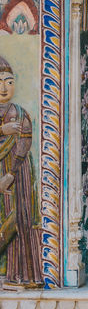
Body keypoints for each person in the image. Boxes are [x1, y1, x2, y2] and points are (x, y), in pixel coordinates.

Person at [0, 55, 43, 287]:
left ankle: (19, 274)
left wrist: (10, 175)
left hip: (17, 175)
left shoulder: (20, 112)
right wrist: (2, 131)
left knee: (19, 219)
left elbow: (25, 143)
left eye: (9, 81)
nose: (5, 87)